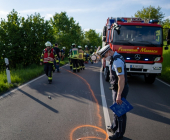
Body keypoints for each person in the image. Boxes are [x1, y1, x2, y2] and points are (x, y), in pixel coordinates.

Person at [97, 44, 129, 140]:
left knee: (120, 112)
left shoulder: (117, 61)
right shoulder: (115, 58)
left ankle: (119, 135)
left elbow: (121, 79)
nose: (104, 58)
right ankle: (114, 127)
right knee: (116, 110)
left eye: (104, 56)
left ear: (108, 52)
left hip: (120, 89)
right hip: (116, 88)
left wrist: (119, 95)